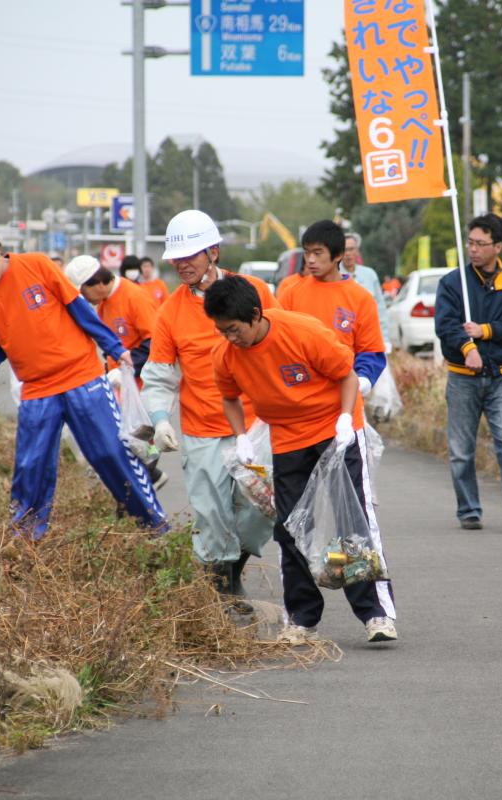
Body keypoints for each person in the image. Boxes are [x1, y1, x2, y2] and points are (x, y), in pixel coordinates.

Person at [205, 275, 397, 644]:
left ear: (256, 315)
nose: (229, 338)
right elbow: (229, 397)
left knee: (352, 518)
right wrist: (241, 435)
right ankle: (302, 619)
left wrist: (344, 420)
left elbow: (346, 376)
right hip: (287, 436)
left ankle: (376, 614)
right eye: (221, 330)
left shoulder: (303, 332)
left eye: (233, 329)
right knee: (291, 527)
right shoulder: (226, 355)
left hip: (335, 428)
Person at [0, 227, 167, 539]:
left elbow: (81, 312)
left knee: (108, 451)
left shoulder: (37, 264)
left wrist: (116, 350)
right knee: (31, 463)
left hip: (82, 375)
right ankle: (24, 537)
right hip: (37, 389)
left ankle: (152, 524)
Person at [140, 210, 276, 607]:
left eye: (191, 257)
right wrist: (161, 419)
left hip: (255, 426)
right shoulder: (170, 312)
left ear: (213, 252)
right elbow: (160, 376)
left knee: (261, 508)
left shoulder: (254, 291)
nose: (182, 265)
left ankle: (233, 573)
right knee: (212, 518)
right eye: (176, 259)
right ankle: (223, 593)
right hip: (202, 431)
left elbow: (281, 340)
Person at [434, 213, 502, 533]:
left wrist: (485, 331)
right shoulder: (453, 283)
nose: (474, 249)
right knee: (462, 449)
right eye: (471, 243)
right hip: (463, 378)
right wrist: (468, 348)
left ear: (498, 246)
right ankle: (469, 509)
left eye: (481, 244)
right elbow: (446, 325)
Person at [64, 254, 167, 490]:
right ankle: (146, 479)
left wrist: (126, 370)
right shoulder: (103, 304)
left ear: (97, 283)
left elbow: (155, 344)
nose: (84, 299)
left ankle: (148, 478)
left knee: (134, 441)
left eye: (83, 292)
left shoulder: (134, 297)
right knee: (121, 441)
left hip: (139, 384)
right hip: (119, 382)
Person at [280, 221, 386, 399]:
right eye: (307, 252)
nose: (310, 259)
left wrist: (361, 382)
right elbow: (277, 343)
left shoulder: (361, 298)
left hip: (343, 400)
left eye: (317, 253)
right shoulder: (291, 293)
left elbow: (370, 352)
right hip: (298, 400)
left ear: (338, 255)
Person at [341, 232, 392, 348]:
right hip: (344, 339)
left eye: (351, 249)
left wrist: (385, 338)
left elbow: (380, 308)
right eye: (345, 250)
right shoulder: (334, 276)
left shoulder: (369, 274)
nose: (348, 254)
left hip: (369, 338)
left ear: (357, 251)